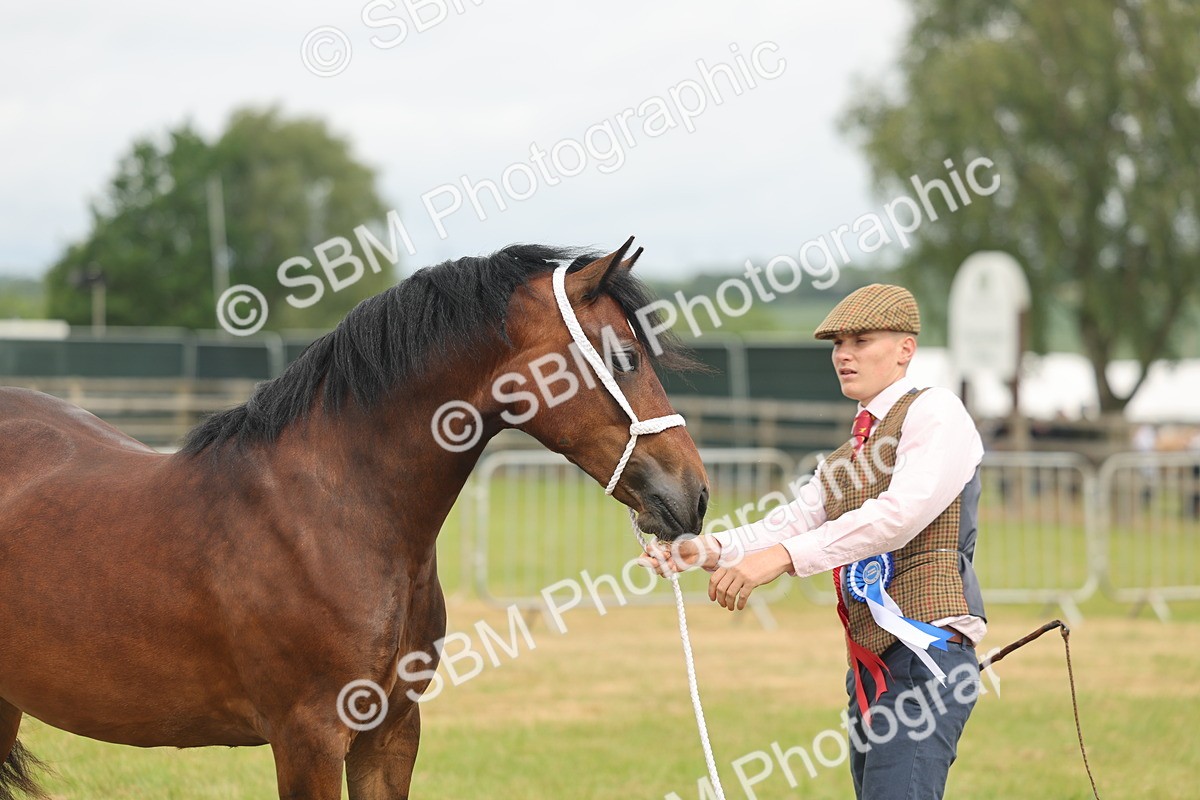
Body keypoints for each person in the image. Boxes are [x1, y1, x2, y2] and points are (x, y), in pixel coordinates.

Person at [643, 284, 987, 800]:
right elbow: (790, 522)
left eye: (861, 340)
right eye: (837, 344)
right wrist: (703, 549)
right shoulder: (849, 454)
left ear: (905, 349)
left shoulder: (937, 412)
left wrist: (779, 560)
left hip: (926, 655)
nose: (844, 355)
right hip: (872, 669)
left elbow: (899, 516)